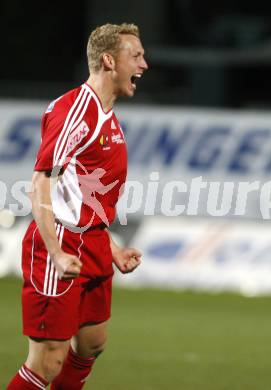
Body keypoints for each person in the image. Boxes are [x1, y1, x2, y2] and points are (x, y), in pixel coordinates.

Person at [7, 22, 148, 389]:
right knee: (47, 361)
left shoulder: (107, 117)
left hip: (94, 243)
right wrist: (54, 252)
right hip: (60, 244)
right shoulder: (75, 112)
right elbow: (40, 184)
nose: (144, 64)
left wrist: (112, 247)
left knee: (91, 343)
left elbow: (84, 192)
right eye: (135, 55)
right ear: (108, 61)